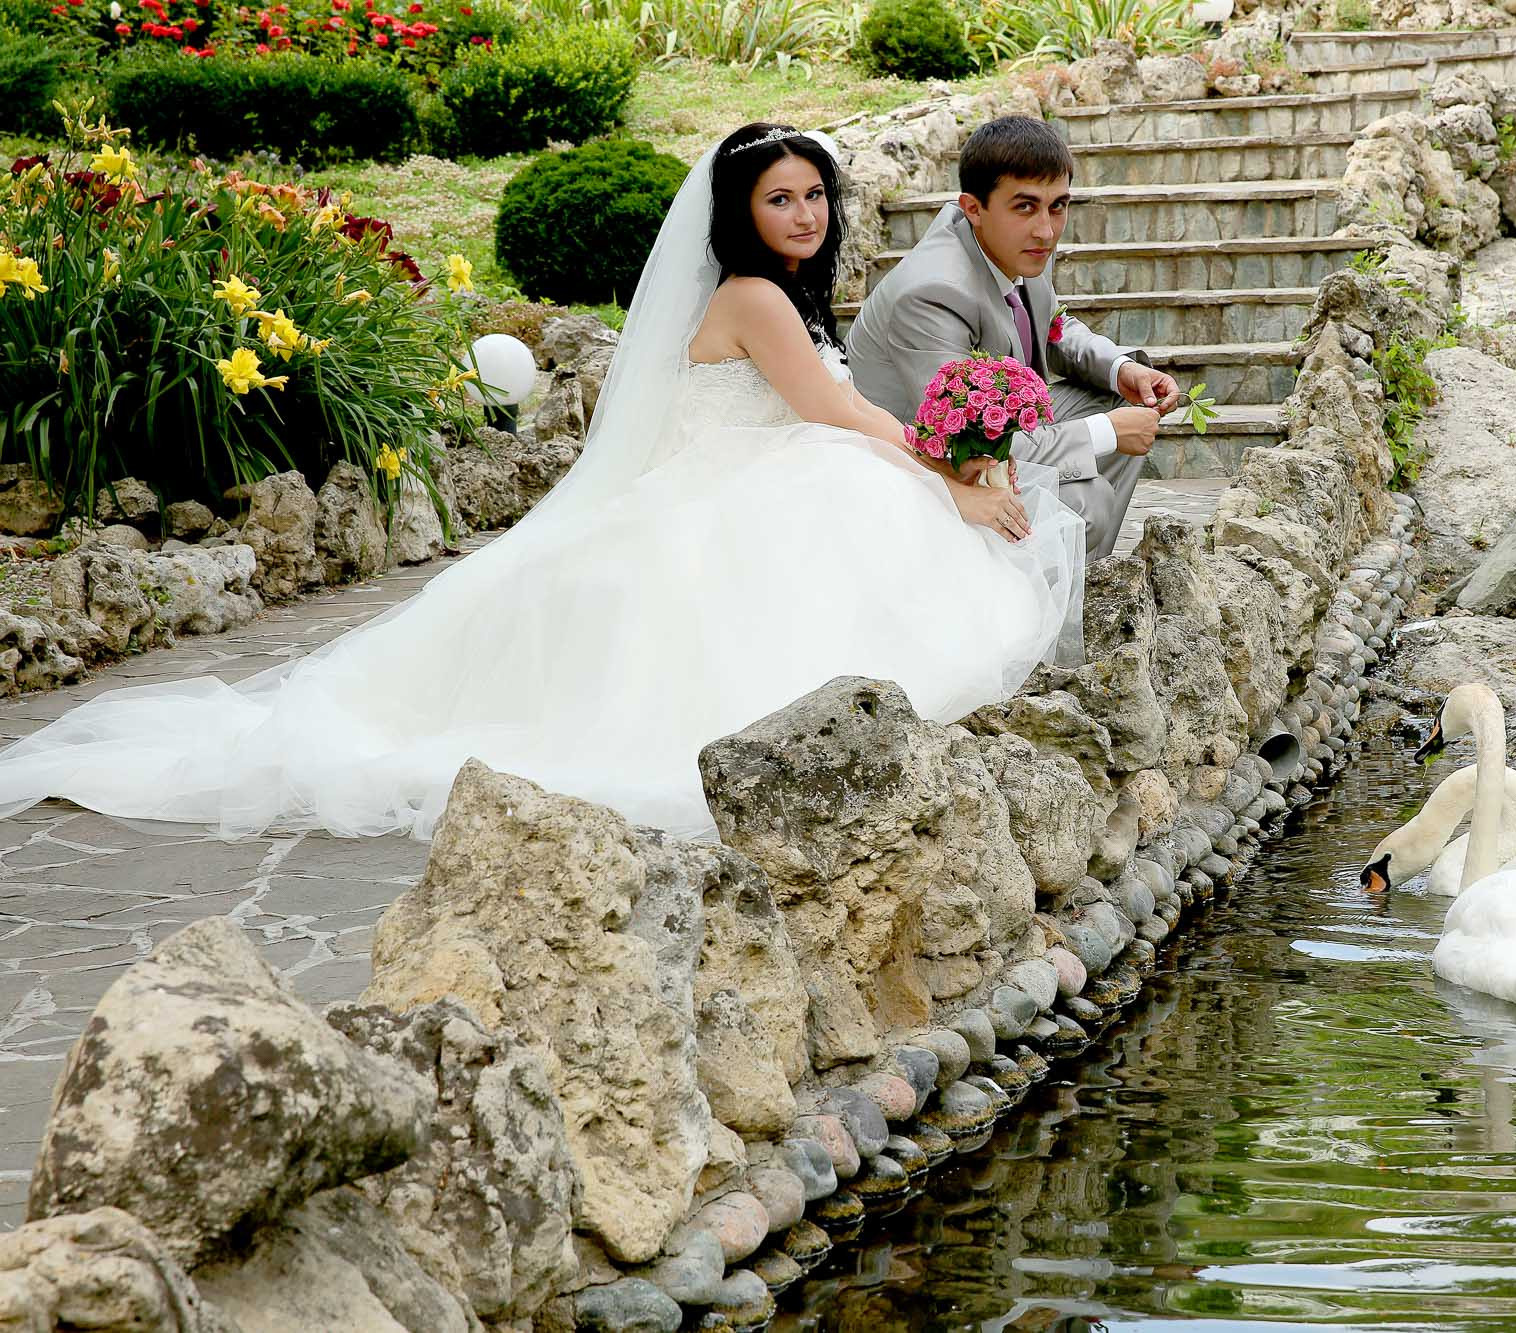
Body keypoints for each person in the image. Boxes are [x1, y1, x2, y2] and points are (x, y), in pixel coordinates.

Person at [0, 123, 1084, 842]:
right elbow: (834, 409)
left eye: (812, 195)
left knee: (852, 494)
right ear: (738, 216)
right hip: (731, 476)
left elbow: (831, 407)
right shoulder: (755, 295)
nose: (802, 215)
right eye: (777, 199)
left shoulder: (789, 291)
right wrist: (948, 480)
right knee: (855, 494)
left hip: (754, 464)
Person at [847, 115, 1181, 562]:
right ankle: (1040, 601)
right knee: (1086, 500)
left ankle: (1086, 572)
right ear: (973, 208)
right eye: (1025, 206)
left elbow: (1052, 327)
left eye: (1058, 205)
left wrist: (1123, 370)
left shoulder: (1010, 242)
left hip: (998, 427)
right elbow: (965, 441)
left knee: (1131, 405)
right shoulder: (931, 293)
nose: (1046, 230)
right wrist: (1103, 432)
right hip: (935, 466)